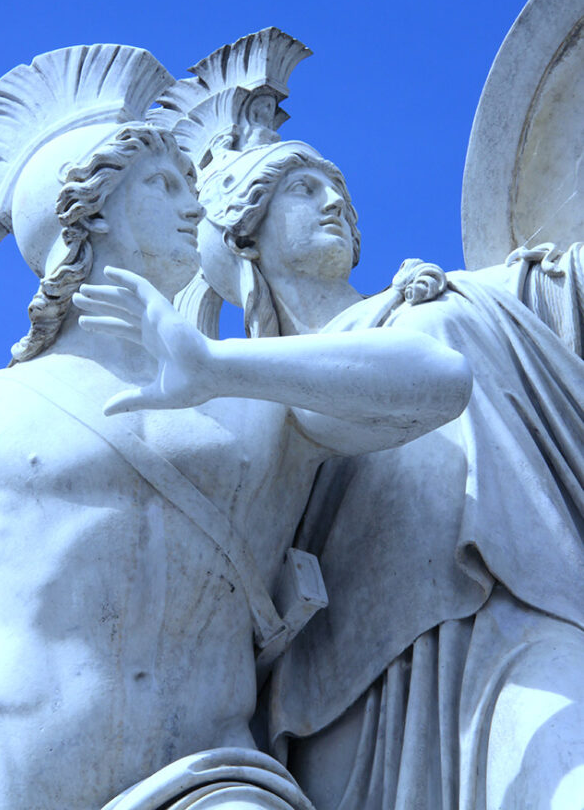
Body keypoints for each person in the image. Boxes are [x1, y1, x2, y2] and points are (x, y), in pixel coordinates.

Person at [0, 46, 471, 810]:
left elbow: (439, 383)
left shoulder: (252, 388)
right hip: (18, 779)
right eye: (165, 184)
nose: (194, 206)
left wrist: (215, 368)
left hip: (212, 776)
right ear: (87, 211)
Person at [182, 136, 584, 810]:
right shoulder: (248, 412)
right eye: (301, 189)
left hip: (515, 619)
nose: (334, 199)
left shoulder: (453, 301)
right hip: (340, 695)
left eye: (334, 185)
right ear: (244, 236)